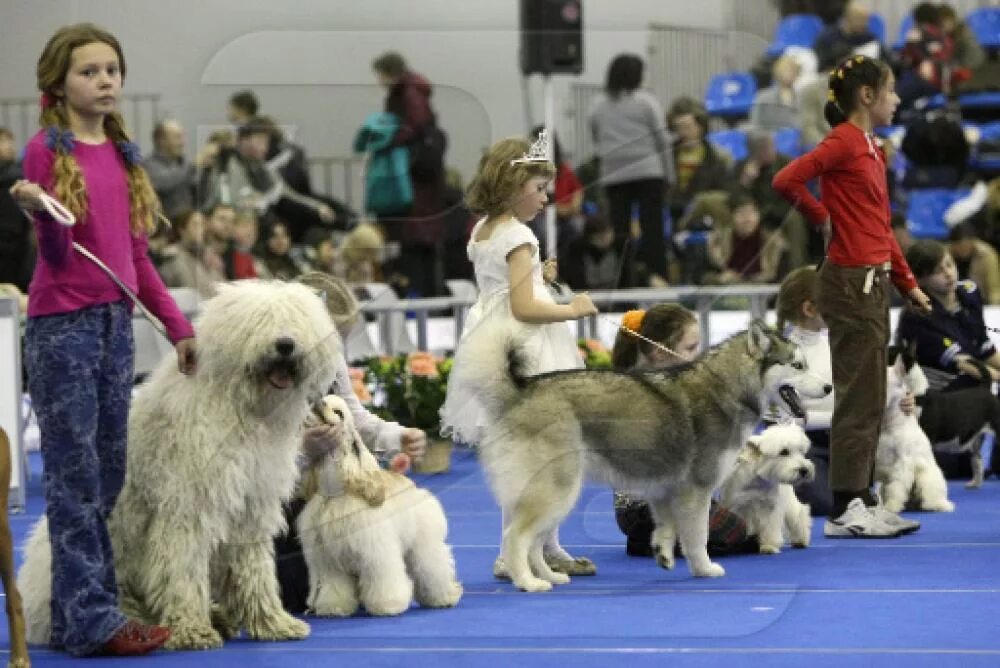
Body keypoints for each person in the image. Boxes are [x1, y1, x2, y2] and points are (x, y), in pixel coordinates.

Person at [8, 22, 196, 656]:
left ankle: (78, 615)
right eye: (90, 72)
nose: (106, 80)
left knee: (109, 474)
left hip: (117, 325)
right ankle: (92, 616)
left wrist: (179, 330)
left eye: (112, 70)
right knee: (75, 477)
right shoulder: (45, 153)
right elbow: (60, 257)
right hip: (64, 329)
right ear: (58, 85)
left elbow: (137, 258)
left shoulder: (122, 155)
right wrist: (42, 212)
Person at [773, 54, 933, 539]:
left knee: (871, 394)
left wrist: (908, 283)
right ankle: (847, 506)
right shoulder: (844, 141)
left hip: (873, 280)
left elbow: (880, 226)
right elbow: (786, 180)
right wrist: (821, 218)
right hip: (849, 281)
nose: (898, 99)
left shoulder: (871, 147)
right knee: (859, 396)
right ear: (867, 96)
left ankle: (861, 497)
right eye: (891, 91)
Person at [438, 135, 598, 579]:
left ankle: (546, 543)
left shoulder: (484, 228)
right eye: (539, 188)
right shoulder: (518, 233)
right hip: (525, 347)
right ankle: (517, 550)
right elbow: (525, 307)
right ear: (513, 186)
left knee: (530, 451)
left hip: (491, 337)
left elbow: (503, 288)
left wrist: (538, 274)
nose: (547, 198)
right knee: (536, 452)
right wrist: (573, 308)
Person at [275, 271, 427, 613]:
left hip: (320, 496)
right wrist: (302, 452)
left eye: (339, 342)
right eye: (329, 340)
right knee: (297, 589)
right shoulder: (263, 373)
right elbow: (252, 461)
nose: (335, 352)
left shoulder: (330, 360)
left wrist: (396, 436)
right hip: (276, 505)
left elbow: (354, 418)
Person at [610, 305, 758, 556]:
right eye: (690, 349)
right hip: (646, 507)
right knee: (740, 532)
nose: (698, 355)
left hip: (638, 509)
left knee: (731, 523)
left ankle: (653, 538)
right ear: (659, 352)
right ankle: (660, 537)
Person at [588, 54, 673, 288]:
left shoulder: (597, 105)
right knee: (652, 230)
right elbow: (662, 140)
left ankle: (624, 283)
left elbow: (595, 136)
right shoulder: (646, 101)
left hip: (615, 175)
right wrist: (669, 175)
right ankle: (659, 279)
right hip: (649, 173)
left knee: (620, 233)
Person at [372, 52, 447, 298]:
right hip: (425, 188)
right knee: (424, 247)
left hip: (416, 185)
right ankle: (427, 295)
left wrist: (389, 140)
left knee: (414, 247)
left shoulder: (407, 94)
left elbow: (412, 125)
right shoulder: (415, 91)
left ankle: (419, 299)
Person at [897, 239, 1000, 392]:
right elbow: (963, 363)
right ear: (920, 280)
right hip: (939, 389)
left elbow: (984, 347)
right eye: (938, 271)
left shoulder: (969, 292)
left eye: (950, 264)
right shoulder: (916, 318)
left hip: (975, 377)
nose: (948, 274)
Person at [156, 208, 224, 299]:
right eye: (195, 225)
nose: (200, 229)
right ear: (182, 229)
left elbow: (221, 288)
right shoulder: (171, 257)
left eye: (202, 224)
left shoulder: (211, 257)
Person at [0, 127, 35, 292]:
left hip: (18, 251)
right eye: (2, 142)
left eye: (9, 141)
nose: (8, 146)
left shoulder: (18, 177)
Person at [144, 119, 196, 220]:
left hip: (185, 228)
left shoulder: (185, 164)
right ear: (161, 141)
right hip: (163, 229)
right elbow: (166, 182)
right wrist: (193, 165)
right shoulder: (148, 165)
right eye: (177, 137)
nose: (182, 142)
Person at [948, 222, 1000, 306]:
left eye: (965, 246)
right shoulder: (947, 255)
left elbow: (994, 288)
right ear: (952, 245)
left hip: (982, 301)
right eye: (959, 247)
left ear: (973, 241)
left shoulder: (987, 255)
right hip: (955, 301)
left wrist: (994, 308)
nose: (962, 250)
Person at [750, 55, 801, 131]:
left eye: (793, 71)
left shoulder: (802, 97)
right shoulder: (763, 97)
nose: (789, 74)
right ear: (777, 72)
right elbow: (756, 123)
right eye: (786, 71)